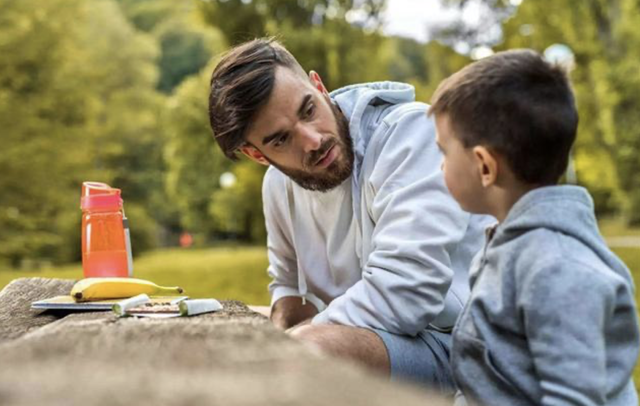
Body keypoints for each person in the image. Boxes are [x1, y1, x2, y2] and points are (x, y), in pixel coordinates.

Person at [208, 38, 491, 392]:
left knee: (307, 354)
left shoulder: (410, 134)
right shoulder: (277, 187)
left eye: (308, 110)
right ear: (257, 154)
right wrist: (285, 324)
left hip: (469, 349)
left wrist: (300, 339)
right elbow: (287, 287)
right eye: (281, 139)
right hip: (386, 341)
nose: (312, 141)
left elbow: (408, 294)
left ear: (319, 86)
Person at [429, 49, 640, 405]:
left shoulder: (557, 268)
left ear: (484, 166)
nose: (440, 167)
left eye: (444, 152)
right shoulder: (514, 243)